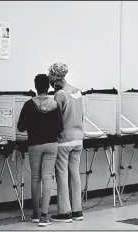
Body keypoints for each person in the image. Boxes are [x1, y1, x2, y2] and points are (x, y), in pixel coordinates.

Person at [17, 74, 63, 227]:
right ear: (48, 87)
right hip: (51, 145)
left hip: (34, 144)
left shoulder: (29, 105)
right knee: (47, 178)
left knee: (35, 177)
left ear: (35, 87)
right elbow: (60, 128)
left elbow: (20, 127)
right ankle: (44, 216)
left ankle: (35, 214)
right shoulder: (55, 104)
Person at [48, 62, 84, 223]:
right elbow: (82, 116)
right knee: (75, 175)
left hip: (64, 141)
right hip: (78, 139)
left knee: (62, 175)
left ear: (55, 79)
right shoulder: (78, 92)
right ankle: (77, 210)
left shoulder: (60, 94)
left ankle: (64, 212)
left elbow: (56, 120)